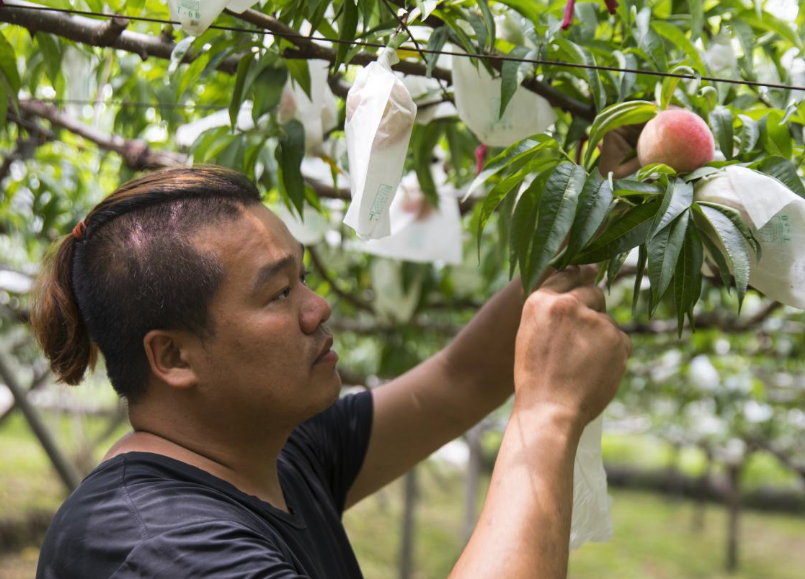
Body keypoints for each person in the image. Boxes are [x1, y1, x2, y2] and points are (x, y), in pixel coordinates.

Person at [31, 163, 631, 578]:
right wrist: (549, 413)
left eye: (304, 277)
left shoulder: (276, 456)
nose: (318, 308)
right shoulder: (153, 545)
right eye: (278, 294)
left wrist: (604, 207)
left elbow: (459, 381)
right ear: (174, 357)